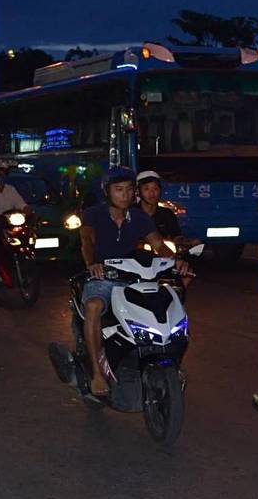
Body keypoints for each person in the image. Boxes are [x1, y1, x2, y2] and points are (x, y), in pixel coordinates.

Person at [80, 166, 187, 395]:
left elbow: (158, 245)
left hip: (134, 277)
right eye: (119, 189)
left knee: (166, 304)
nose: (125, 195)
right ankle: (97, 373)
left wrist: (175, 261)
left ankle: (169, 362)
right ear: (107, 191)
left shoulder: (139, 217)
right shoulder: (93, 214)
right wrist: (92, 264)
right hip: (103, 276)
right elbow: (86, 241)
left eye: (129, 189)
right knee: (94, 306)